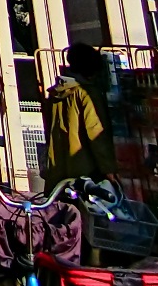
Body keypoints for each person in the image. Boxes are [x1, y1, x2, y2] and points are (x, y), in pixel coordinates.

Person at [44, 43, 117, 184]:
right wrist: (109, 169)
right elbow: (96, 133)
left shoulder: (55, 93)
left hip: (58, 170)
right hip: (86, 172)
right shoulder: (87, 93)